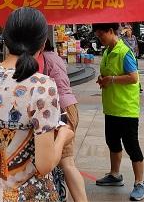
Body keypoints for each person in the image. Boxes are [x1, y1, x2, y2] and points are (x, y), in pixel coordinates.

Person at [0, 7, 74, 201]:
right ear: (43, 43)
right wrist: (63, 137)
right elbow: (45, 165)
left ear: (6, 38)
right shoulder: (42, 86)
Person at [92, 22, 144, 201]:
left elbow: (133, 77)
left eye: (101, 35)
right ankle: (115, 174)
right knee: (112, 142)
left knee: (131, 146)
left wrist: (112, 79)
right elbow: (109, 74)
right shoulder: (107, 51)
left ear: (110, 31)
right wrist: (103, 79)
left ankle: (139, 183)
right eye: (97, 36)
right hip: (111, 107)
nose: (99, 38)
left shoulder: (124, 52)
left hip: (126, 109)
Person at [41, 39, 87, 202]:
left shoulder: (43, 58)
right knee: (63, 162)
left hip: (60, 109)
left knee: (67, 163)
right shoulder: (55, 56)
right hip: (70, 105)